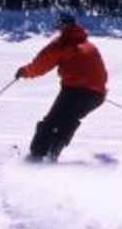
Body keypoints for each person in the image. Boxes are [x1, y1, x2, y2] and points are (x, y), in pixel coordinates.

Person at [16, 11, 109, 162]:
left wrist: (25, 72)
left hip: (76, 92)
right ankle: (52, 153)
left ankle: (37, 157)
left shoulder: (63, 44)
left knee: (52, 121)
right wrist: (95, 88)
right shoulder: (89, 45)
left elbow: (41, 64)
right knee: (67, 120)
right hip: (96, 95)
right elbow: (100, 72)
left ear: (62, 26)